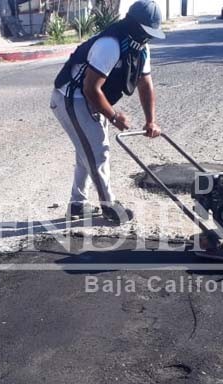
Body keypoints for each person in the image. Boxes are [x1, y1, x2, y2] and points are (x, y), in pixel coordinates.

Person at [51, 0, 164, 224]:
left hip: (90, 99)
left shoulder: (140, 49)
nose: (147, 38)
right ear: (133, 25)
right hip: (71, 98)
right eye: (145, 32)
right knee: (97, 152)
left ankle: (77, 205)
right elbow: (90, 88)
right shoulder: (110, 45)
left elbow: (145, 84)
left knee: (89, 152)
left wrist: (151, 120)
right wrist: (113, 116)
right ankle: (109, 206)